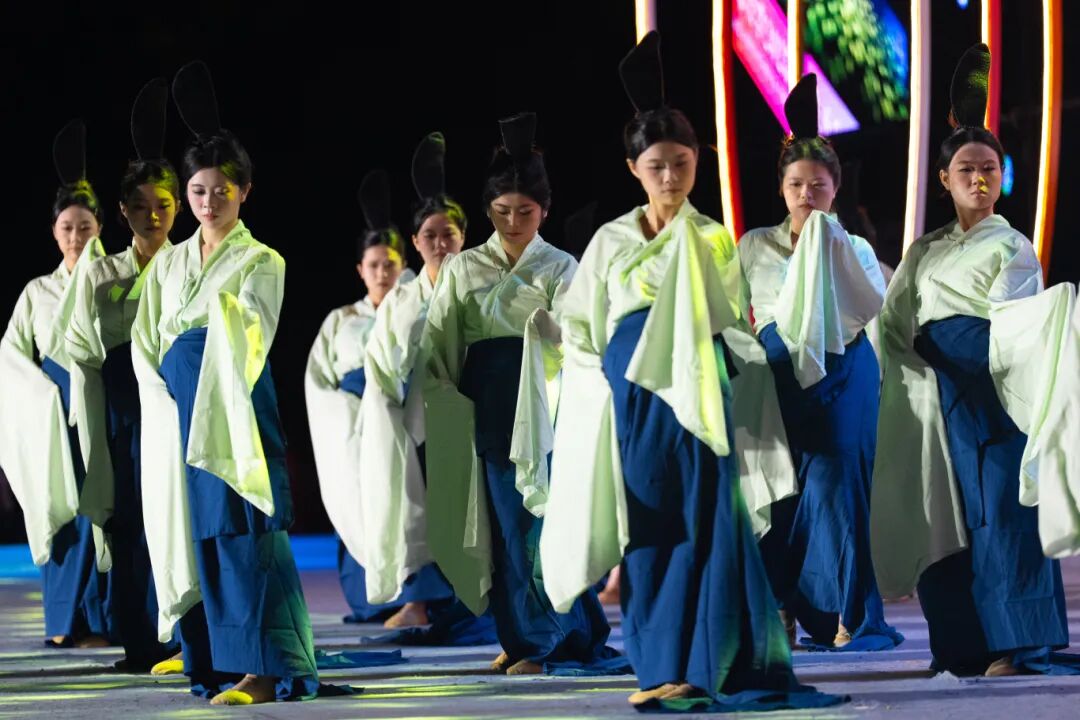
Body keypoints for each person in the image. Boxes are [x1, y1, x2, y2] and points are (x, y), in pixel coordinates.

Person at [537, 33, 844, 711]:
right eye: (657, 166)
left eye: (681, 163)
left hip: (701, 389)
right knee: (647, 522)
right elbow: (581, 326)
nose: (670, 177)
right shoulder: (611, 240)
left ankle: (708, 662)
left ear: (698, 161)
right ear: (633, 168)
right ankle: (657, 664)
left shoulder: (710, 236)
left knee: (705, 523)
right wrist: (601, 388)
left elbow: (731, 322)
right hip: (633, 393)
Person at [871, 44, 1074, 677]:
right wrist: (904, 372)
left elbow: (1012, 321)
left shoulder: (1011, 244)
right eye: (966, 168)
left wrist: (949, 351)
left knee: (1001, 515)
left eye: (989, 167)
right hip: (933, 395)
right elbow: (893, 322)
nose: (979, 178)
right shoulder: (924, 251)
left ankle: (1020, 644)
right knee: (942, 517)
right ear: (944, 178)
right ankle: (960, 645)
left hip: (991, 390)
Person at [132, 61, 318, 704]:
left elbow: (251, 332)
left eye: (221, 191)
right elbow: (146, 337)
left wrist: (206, 340)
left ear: (244, 193)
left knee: (242, 526)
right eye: (198, 191)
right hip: (177, 400)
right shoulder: (171, 262)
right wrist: (162, 394)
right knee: (190, 527)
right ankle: (207, 656)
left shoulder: (262, 259)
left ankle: (264, 667)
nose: (209, 203)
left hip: (231, 399)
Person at [421, 112, 613, 675]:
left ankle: (547, 640)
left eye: (524, 212)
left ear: (544, 211)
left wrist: (549, 333)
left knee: (537, 525)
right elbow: (440, 342)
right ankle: (522, 631)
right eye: (501, 211)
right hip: (484, 403)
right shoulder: (464, 267)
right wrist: (445, 404)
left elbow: (581, 337)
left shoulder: (559, 266)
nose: (512, 222)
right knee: (498, 528)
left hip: (543, 404)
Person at [739, 74, 900, 651]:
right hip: (776, 374)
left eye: (818, 185)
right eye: (796, 184)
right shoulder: (754, 244)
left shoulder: (852, 246)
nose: (806, 194)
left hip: (843, 372)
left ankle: (853, 615)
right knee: (778, 490)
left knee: (842, 491)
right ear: (781, 188)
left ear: (835, 189)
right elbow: (736, 314)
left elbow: (869, 309)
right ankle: (781, 607)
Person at [0, 119, 112, 650]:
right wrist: (43, 393)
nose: (75, 237)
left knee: (102, 512)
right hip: (54, 414)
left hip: (102, 404)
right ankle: (66, 621)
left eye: (85, 227)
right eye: (67, 227)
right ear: (54, 231)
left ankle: (105, 619)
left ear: (99, 228)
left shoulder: (115, 277)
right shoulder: (38, 291)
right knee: (61, 509)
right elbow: (10, 353)